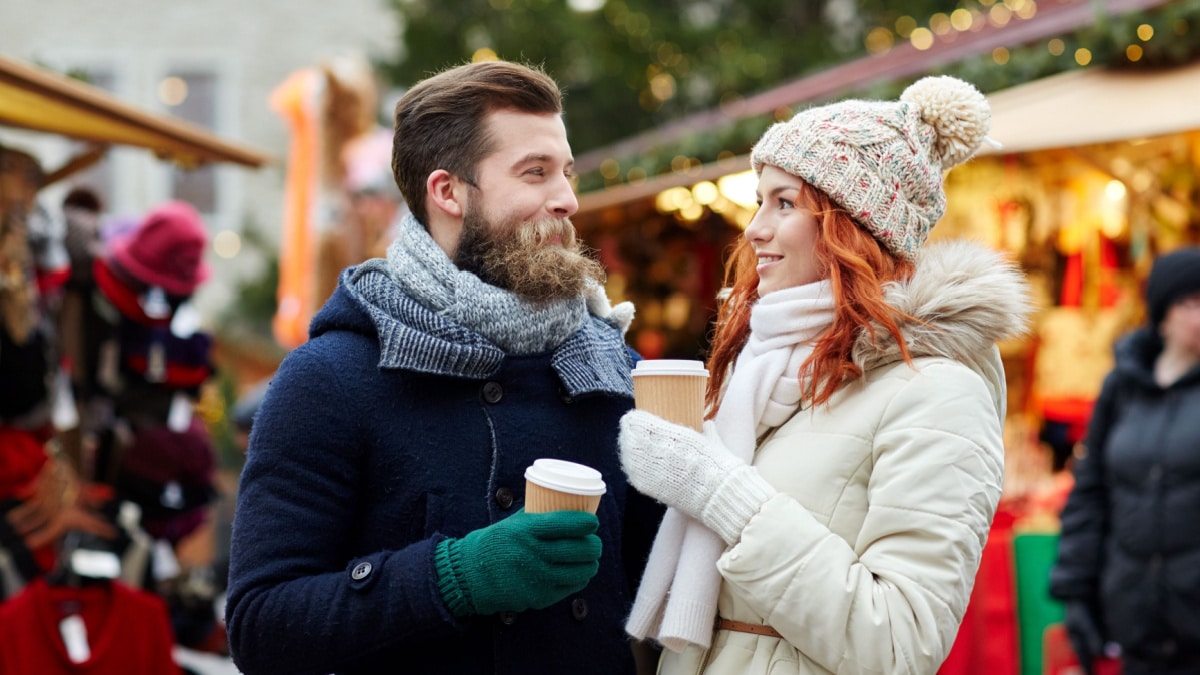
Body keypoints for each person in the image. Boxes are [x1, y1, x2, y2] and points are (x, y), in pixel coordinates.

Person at [225, 60, 661, 675]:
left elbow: (665, 598)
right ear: (448, 191)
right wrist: (457, 577)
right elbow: (262, 626)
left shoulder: (612, 366)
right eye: (534, 174)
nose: (566, 199)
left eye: (566, 172)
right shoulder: (331, 377)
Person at [617, 75, 1033, 674]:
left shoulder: (941, 392)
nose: (755, 228)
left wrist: (722, 494)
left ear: (856, 226)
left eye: (784, 203)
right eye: (759, 201)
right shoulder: (762, 370)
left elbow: (899, 645)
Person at [1050, 246, 1200, 675]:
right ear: (1163, 313)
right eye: (1192, 303)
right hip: (1134, 617)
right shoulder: (1123, 386)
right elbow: (1090, 494)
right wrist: (1076, 592)